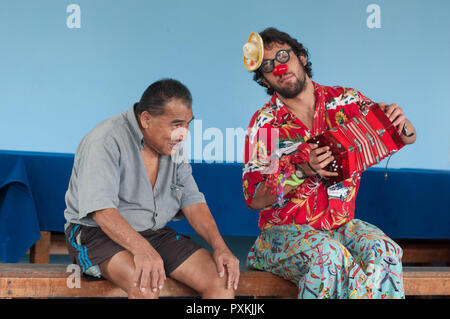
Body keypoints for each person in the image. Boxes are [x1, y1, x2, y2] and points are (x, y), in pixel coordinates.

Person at [242, 27, 416, 299]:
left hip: (340, 228)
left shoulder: (347, 101)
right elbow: (255, 198)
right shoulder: (266, 125)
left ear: (300, 56)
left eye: (283, 56)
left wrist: (399, 121)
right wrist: (301, 169)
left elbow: (407, 136)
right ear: (264, 81)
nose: (278, 67)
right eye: (267, 66)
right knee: (329, 256)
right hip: (282, 237)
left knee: (385, 250)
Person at [64, 79, 240, 299]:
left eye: (188, 124)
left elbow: (193, 201)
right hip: (97, 234)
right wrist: (142, 250)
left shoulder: (174, 147)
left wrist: (220, 247)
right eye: (176, 124)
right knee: (146, 284)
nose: (183, 133)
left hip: (153, 233)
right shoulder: (105, 140)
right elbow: (102, 212)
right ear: (146, 119)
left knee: (222, 280)